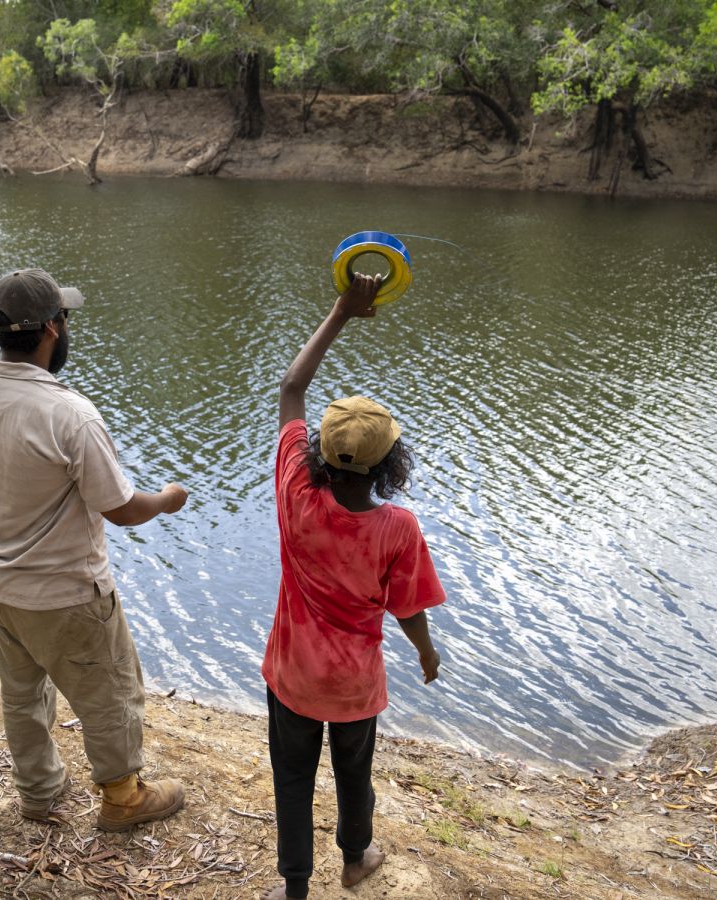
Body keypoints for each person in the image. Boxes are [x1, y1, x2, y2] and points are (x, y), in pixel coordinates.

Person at [0, 268, 188, 831]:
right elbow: (122, 509)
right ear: (53, 328)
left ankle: (38, 791)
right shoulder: (70, 414)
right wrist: (167, 499)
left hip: (1, 589)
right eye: (66, 319)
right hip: (69, 594)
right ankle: (123, 798)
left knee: (23, 696)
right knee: (110, 690)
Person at [261, 273, 446, 900]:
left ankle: (294, 888)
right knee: (353, 772)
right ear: (390, 464)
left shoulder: (296, 494)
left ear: (320, 450)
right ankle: (354, 858)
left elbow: (291, 388)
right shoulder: (397, 527)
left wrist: (341, 310)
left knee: (291, 777)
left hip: (292, 674)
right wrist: (425, 652)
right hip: (354, 684)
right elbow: (409, 607)